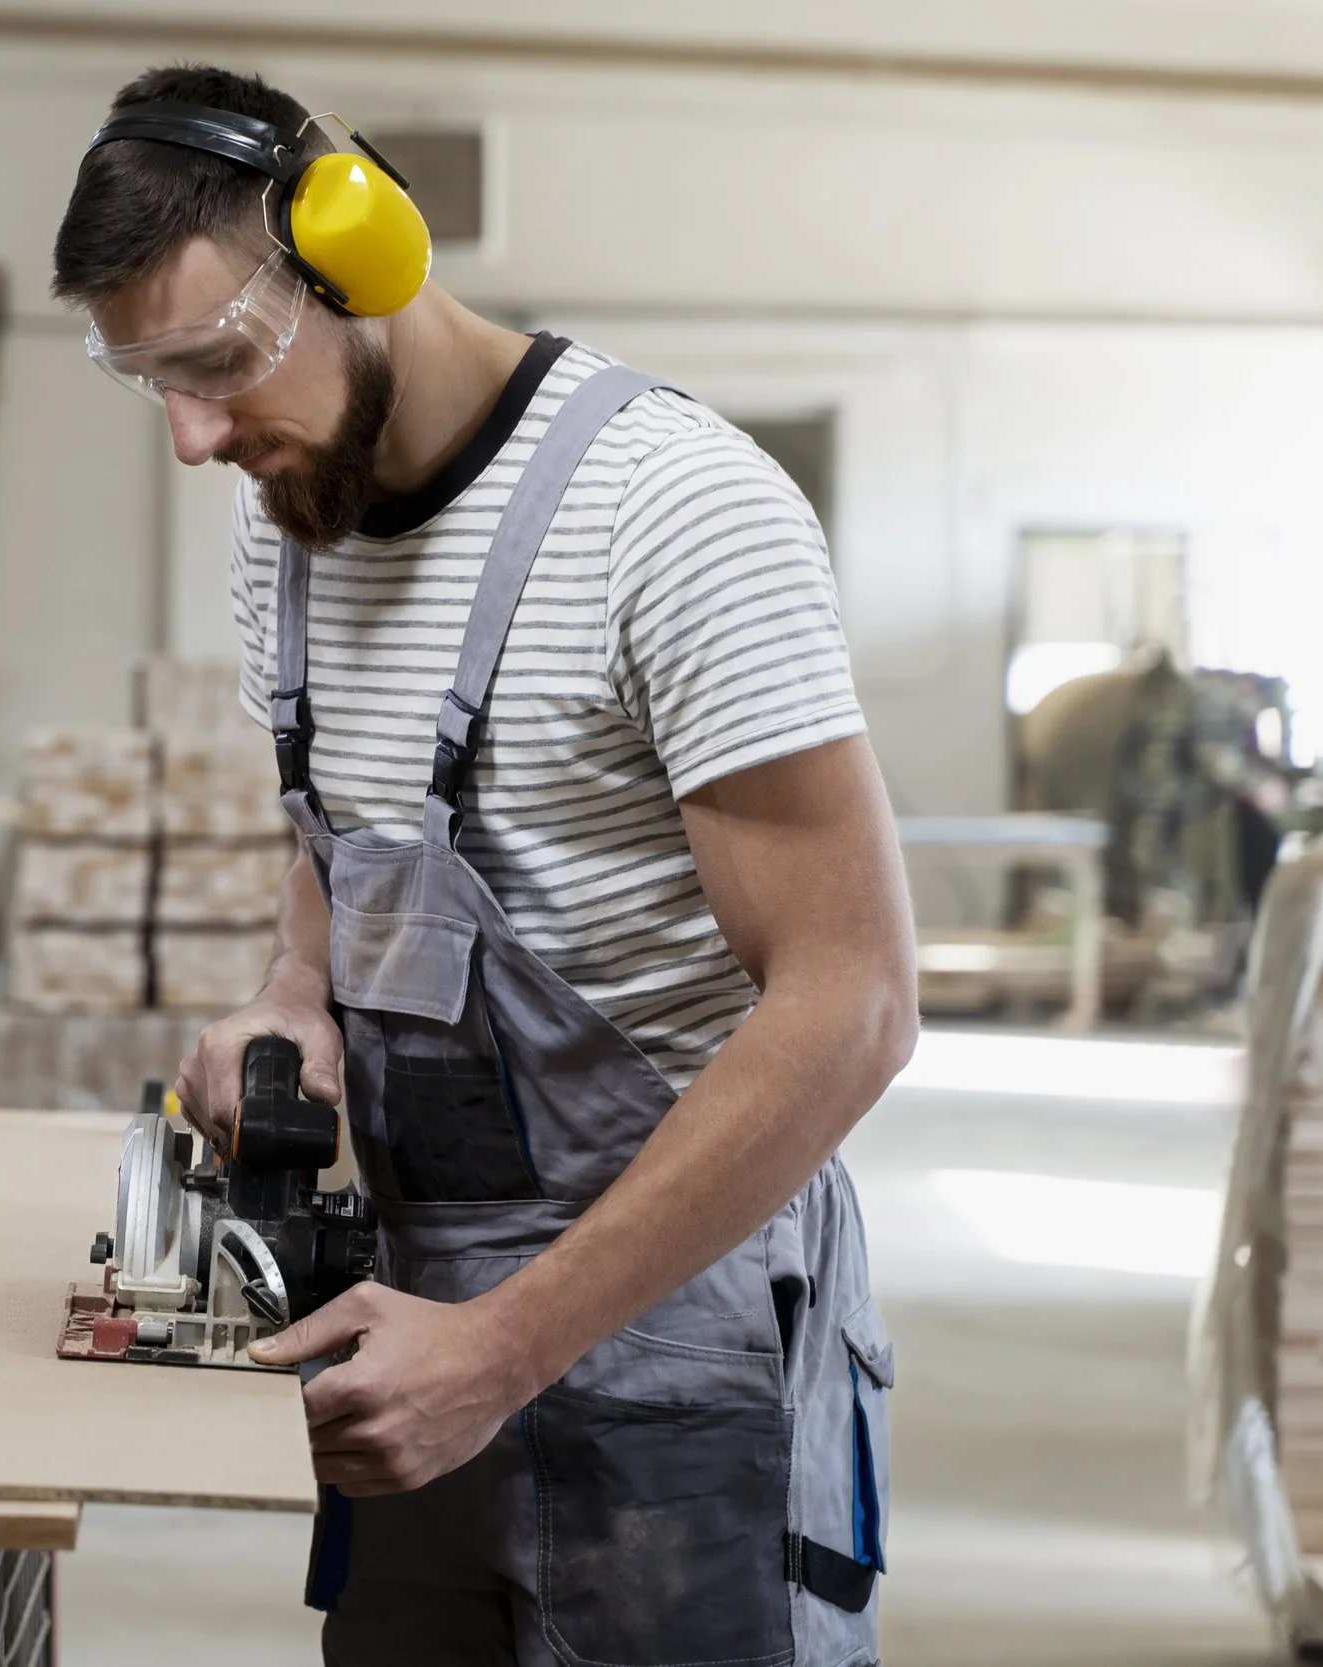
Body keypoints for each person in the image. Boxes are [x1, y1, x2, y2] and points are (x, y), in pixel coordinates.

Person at [53, 64, 919, 1666]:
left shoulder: (671, 512)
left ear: (362, 257)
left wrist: (507, 1344)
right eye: (146, 384)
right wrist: (291, 993)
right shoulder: (288, 514)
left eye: (222, 363)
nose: (192, 438)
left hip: (680, 1322)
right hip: (418, 1299)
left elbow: (854, 1004)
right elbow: (333, 821)